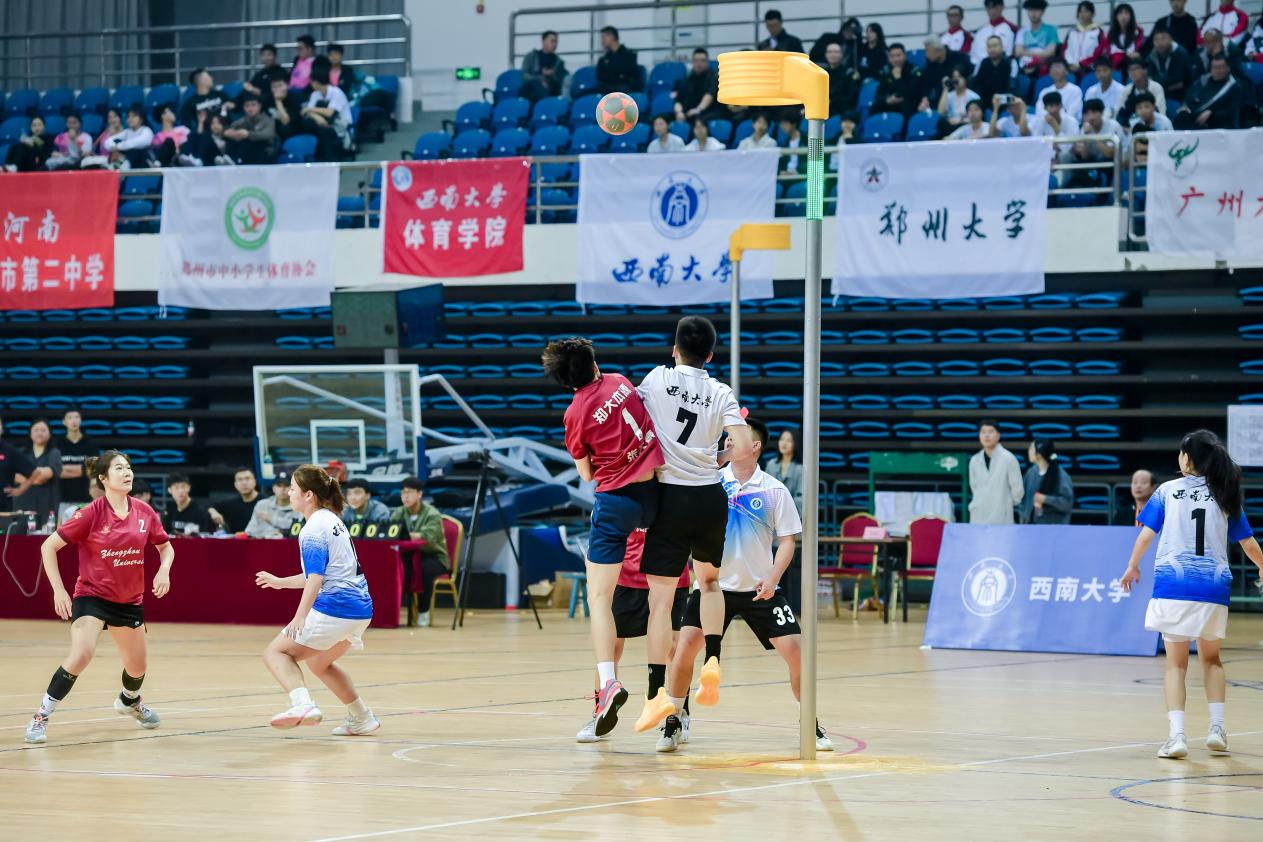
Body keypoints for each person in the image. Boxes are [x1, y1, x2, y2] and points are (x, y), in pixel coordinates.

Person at [661, 418, 831, 753]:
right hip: (712, 588)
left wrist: (773, 577)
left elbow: (787, 541)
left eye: (736, 437)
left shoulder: (773, 490)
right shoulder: (710, 482)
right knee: (683, 650)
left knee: (797, 652)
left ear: (755, 447)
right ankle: (675, 718)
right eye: (726, 437)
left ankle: (809, 722)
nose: (728, 441)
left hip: (760, 590)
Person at [633, 317, 753, 733]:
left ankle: (655, 695)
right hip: (709, 497)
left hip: (671, 498)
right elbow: (742, 447)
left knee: (661, 602)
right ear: (711, 356)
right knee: (710, 583)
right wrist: (718, 457)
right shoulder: (721, 391)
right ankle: (713, 658)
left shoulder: (657, 379)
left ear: (674, 350)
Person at [543, 336, 664, 740]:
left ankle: (608, 682)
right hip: (654, 495)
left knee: (599, 598)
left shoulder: (575, 413)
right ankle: (670, 705)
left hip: (616, 503)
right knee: (664, 603)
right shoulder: (621, 381)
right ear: (594, 365)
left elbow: (585, 474)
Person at [1120, 430, 1263, 759]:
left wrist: (1132, 566)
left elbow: (1145, 536)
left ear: (1187, 459)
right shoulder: (1224, 492)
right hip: (1213, 588)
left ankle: (1177, 737)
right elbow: (1248, 542)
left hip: (1174, 587)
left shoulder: (1167, 491)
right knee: (1212, 660)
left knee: (1176, 665)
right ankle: (1217, 729)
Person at [24, 451, 174, 744]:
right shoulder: (90, 513)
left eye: (128, 468)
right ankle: (41, 715)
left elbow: (165, 547)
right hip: (92, 596)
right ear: (103, 478)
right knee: (82, 654)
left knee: (137, 668)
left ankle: (129, 701)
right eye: (119, 468)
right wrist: (58, 590)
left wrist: (164, 570)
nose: (127, 473)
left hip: (129, 601)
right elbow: (48, 546)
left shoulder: (144, 512)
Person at [256, 464, 378, 736]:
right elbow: (324, 573)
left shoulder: (312, 529)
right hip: (361, 609)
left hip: (336, 608)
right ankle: (362, 717)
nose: (289, 493)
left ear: (308, 495)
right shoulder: (331, 519)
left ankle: (302, 705)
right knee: (318, 663)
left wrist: (300, 616)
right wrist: (281, 582)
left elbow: (316, 579)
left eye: (293, 489)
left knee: (276, 653)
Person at [575, 529, 691, 744]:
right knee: (611, 648)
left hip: (669, 571)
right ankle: (600, 713)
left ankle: (677, 715)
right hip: (625, 575)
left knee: (673, 649)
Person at [390, 476, 450, 628]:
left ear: (419, 494)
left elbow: (428, 538)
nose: (406, 496)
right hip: (408, 554)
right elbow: (392, 533)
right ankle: (392, 612)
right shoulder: (398, 512)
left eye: (409, 492)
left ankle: (424, 611)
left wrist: (406, 535)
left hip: (434, 555)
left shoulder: (432, 514)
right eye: (403, 493)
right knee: (395, 568)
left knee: (423, 569)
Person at [968, 420, 1024, 523]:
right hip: (978, 517)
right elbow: (974, 487)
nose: (986, 435)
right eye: (983, 432)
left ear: (998, 435)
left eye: (990, 431)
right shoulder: (974, 460)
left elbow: (1018, 490)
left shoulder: (1009, 458)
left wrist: (1005, 505)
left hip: (1002, 517)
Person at [13, 419, 61, 529]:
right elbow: (14, 475)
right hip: (22, 505)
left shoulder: (54, 453)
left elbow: (45, 475)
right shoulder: (20, 453)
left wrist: (25, 475)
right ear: (30, 433)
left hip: (46, 507)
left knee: (44, 537)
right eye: (36, 430)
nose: (39, 433)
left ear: (49, 433)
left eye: (43, 430)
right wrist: (36, 476)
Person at [1174, 54, 1242, 129]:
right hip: (1195, 117)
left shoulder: (1234, 87)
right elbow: (1190, 96)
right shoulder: (1204, 80)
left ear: (1228, 68)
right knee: (1181, 117)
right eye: (1214, 67)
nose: (1216, 71)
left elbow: (1232, 112)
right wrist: (1185, 106)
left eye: (1220, 68)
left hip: (1216, 123)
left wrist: (1212, 113)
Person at [302, 66, 354, 161]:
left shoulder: (336, 92)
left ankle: (330, 161)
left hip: (339, 126)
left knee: (323, 131)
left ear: (316, 82)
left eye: (311, 81)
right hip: (323, 124)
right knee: (308, 124)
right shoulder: (315, 94)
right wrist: (317, 117)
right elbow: (305, 112)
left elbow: (329, 113)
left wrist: (311, 109)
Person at [1020, 440, 1074, 524]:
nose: (1028, 451)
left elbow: (1067, 503)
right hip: (1032, 526)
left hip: (1054, 528)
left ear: (1039, 454)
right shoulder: (1031, 473)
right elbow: (1024, 500)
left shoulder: (1061, 476)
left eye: (1031, 449)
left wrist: (1046, 499)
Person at [56, 408, 97, 504]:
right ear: (64, 422)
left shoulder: (90, 443)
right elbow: (57, 471)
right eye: (70, 418)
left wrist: (66, 469)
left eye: (76, 417)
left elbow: (93, 470)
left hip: (86, 498)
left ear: (80, 420)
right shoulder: (57, 443)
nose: (73, 420)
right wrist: (83, 469)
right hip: (62, 499)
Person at [873, 43, 924, 119]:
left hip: (907, 103)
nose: (896, 59)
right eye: (892, 56)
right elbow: (879, 94)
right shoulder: (886, 71)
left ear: (905, 56)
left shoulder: (914, 71)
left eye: (898, 55)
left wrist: (898, 78)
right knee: (875, 107)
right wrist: (887, 100)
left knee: (908, 106)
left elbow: (912, 94)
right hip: (891, 102)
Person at [245, 472, 302, 538]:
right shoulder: (262, 505)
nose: (282, 489)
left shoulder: (299, 506)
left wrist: (272, 519)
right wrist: (268, 535)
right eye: (279, 486)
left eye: (286, 485)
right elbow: (250, 531)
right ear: (273, 488)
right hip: (263, 542)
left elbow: (298, 529)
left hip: (289, 543)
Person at [224, 93, 277, 164]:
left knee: (248, 141)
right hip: (248, 153)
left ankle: (236, 161)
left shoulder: (268, 120)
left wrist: (248, 134)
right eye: (247, 106)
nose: (250, 109)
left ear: (260, 106)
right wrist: (229, 132)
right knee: (232, 138)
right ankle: (228, 159)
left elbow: (268, 135)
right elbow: (231, 127)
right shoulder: (244, 120)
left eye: (253, 105)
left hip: (265, 151)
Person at [0, 415, 39, 512]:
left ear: (2, 429)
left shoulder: (9, 450)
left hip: (3, 508)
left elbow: (34, 472)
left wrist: (19, 490)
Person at [1146, 28, 1195, 103]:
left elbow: (1178, 79)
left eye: (1163, 38)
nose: (1160, 43)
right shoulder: (1152, 55)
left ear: (1171, 39)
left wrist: (1158, 83)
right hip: (1161, 92)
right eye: (1156, 39)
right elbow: (1150, 78)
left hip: (1182, 95)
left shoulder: (1180, 54)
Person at [209, 466, 262, 533]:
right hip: (236, 539)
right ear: (235, 484)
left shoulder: (266, 502)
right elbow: (210, 506)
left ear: (255, 482)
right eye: (240, 480)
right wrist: (213, 512)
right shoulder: (231, 504)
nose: (244, 483)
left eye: (247, 478)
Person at [1015, 0, 1060, 77]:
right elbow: (1018, 52)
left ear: (1043, 12)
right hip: (1024, 69)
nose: (1033, 13)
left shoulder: (1051, 30)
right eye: (1030, 10)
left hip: (1045, 70)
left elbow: (1050, 52)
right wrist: (1042, 53)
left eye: (1036, 10)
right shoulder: (1022, 31)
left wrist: (1026, 52)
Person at [520, 30, 568, 102]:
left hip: (550, 89)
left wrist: (552, 75)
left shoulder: (558, 62)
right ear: (544, 41)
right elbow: (524, 76)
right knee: (535, 85)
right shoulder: (531, 56)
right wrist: (540, 79)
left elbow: (560, 81)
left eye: (556, 42)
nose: (555, 44)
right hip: (531, 88)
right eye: (552, 41)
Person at [765, 427, 804, 514]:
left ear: (795, 444)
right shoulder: (771, 464)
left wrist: (784, 506)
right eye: (782, 439)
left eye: (789, 440)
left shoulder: (800, 468)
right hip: (771, 512)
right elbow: (765, 491)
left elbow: (801, 497)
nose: (784, 443)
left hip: (791, 513)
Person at [970, 0, 1018, 70]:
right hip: (981, 71)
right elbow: (974, 57)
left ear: (1002, 7)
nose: (992, 11)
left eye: (995, 7)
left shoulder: (1013, 29)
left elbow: (1013, 55)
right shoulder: (980, 32)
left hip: (1003, 69)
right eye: (989, 8)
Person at [674, 48, 718, 123]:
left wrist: (698, 110)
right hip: (689, 112)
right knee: (662, 119)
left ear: (708, 62)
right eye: (696, 61)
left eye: (702, 61)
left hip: (708, 111)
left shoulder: (713, 77)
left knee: (698, 120)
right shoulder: (688, 78)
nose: (699, 63)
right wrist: (679, 112)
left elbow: (709, 96)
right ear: (693, 62)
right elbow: (678, 100)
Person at [1064, 1, 1107, 77]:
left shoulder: (1098, 32)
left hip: (1089, 69)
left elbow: (1098, 52)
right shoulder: (1071, 32)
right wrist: (1070, 63)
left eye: (1086, 11)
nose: (1082, 14)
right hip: (1071, 68)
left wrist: (1082, 64)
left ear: (1092, 13)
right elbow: (1065, 49)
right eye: (1080, 11)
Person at [1118, 58, 1166, 123]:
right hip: (1131, 125)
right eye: (1130, 69)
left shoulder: (1156, 88)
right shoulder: (1127, 90)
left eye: (1136, 69)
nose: (1133, 72)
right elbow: (1121, 113)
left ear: (1145, 70)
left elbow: (1160, 113)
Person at [596, 26, 641, 94]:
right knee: (584, 94)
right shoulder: (603, 59)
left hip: (625, 88)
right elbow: (600, 76)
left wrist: (611, 73)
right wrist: (618, 74)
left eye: (603, 37)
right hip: (607, 88)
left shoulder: (629, 55)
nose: (602, 41)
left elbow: (629, 73)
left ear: (612, 37)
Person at [972, 36, 1015, 107]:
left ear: (1002, 47)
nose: (992, 49)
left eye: (995, 46)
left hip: (1005, 104)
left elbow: (1012, 88)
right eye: (989, 46)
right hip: (985, 104)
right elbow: (976, 85)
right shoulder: (984, 62)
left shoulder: (1011, 63)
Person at [823, 42, 863, 115]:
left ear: (841, 55)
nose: (833, 55)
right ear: (826, 55)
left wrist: (832, 102)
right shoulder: (822, 73)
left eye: (836, 52)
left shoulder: (849, 73)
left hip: (841, 111)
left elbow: (851, 98)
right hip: (822, 109)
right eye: (830, 52)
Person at [268, 72, 305, 142]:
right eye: (274, 87)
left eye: (280, 85)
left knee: (285, 128)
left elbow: (286, 121)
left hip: (293, 132)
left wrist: (278, 100)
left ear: (287, 85)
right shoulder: (268, 98)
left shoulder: (295, 99)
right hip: (273, 132)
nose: (277, 89)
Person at [1107, 3, 1144, 69]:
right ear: (1116, 17)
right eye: (1120, 13)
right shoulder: (1110, 34)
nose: (1123, 16)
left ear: (1131, 16)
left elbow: (1141, 52)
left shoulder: (1138, 32)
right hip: (1115, 69)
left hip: (1133, 68)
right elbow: (1109, 54)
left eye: (1126, 13)